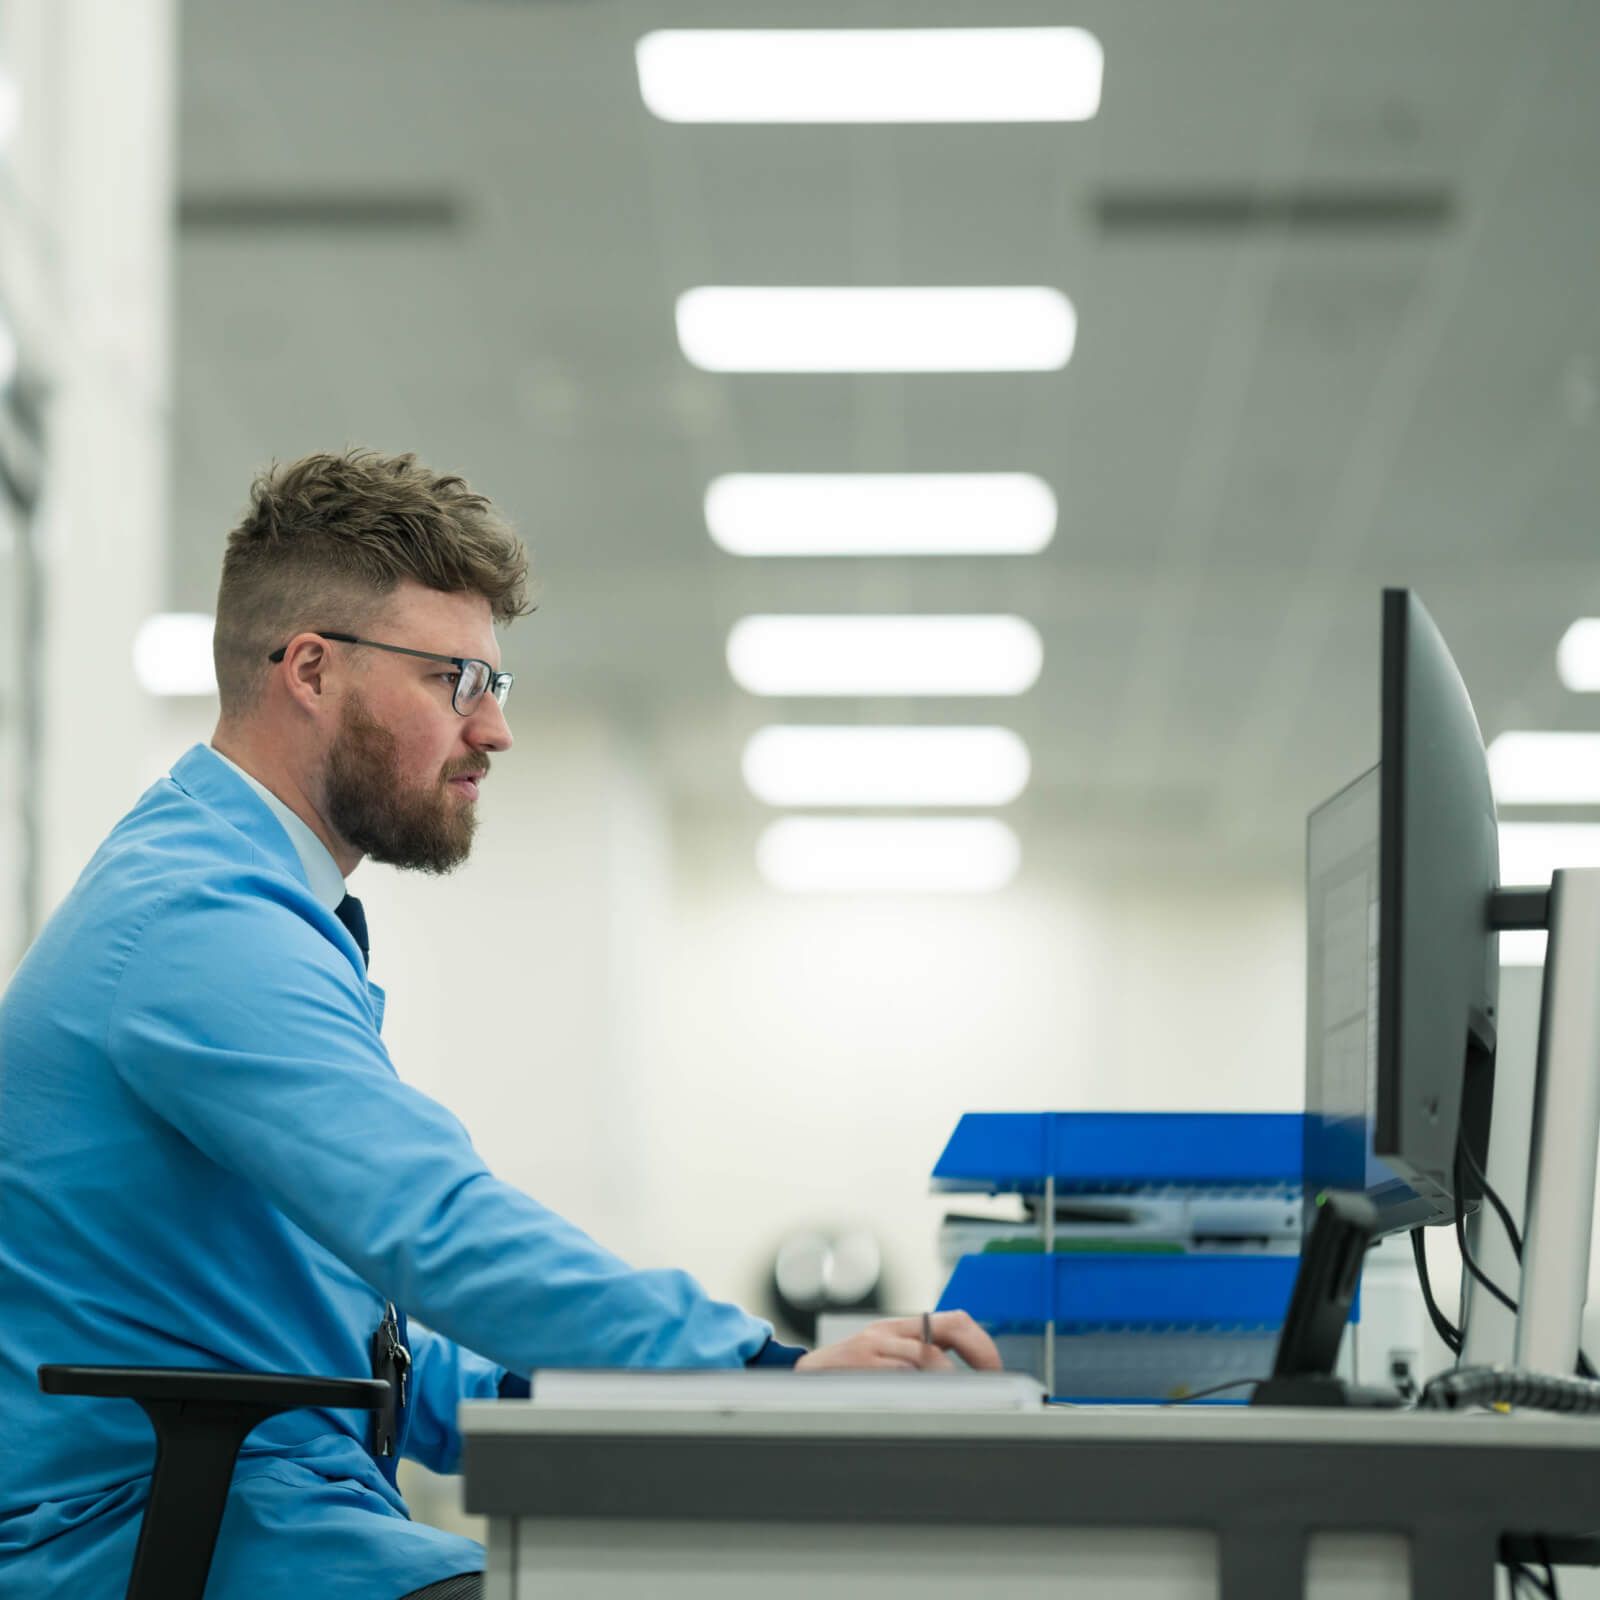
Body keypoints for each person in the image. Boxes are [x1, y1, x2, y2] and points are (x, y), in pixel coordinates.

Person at [0, 450, 1001, 1600]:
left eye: (497, 686)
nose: (493, 731)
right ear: (312, 670)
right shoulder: (195, 925)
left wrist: (648, 1404)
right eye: (455, 680)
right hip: (147, 1547)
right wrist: (761, 1370)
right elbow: (437, 1226)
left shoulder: (241, 904)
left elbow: (375, 1355)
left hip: (260, 1522)